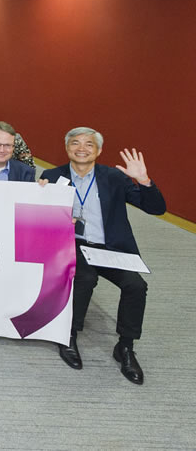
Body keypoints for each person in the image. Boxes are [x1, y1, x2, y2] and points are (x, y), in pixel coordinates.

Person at [40, 127, 165, 385]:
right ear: (67, 148)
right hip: (73, 244)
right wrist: (39, 195)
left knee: (136, 286)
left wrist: (144, 181)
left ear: (98, 151)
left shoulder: (114, 177)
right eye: (75, 143)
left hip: (110, 247)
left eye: (89, 144)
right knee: (84, 279)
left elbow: (156, 209)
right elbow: (40, 219)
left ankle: (126, 346)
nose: (81, 148)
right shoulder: (52, 176)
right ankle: (69, 336)